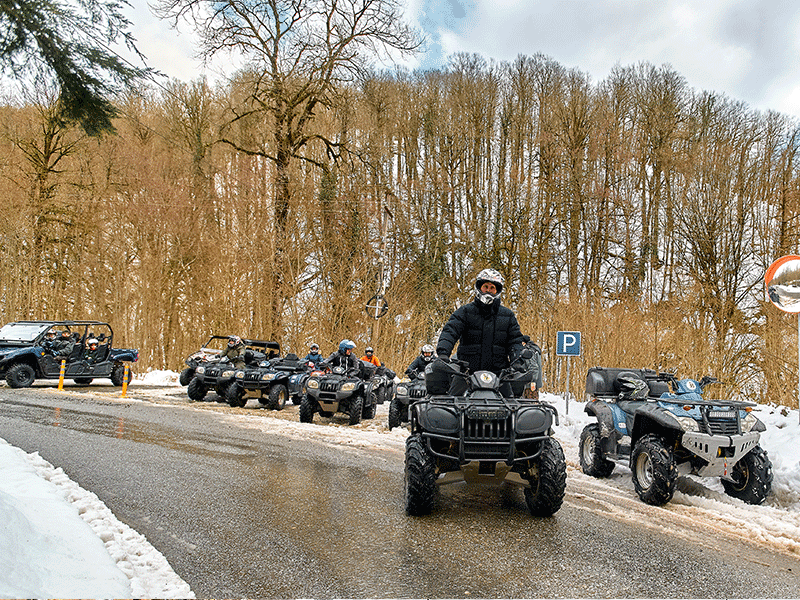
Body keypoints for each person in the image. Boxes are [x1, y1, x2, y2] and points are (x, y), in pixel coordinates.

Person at [436, 268, 524, 386]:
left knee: (513, 397)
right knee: (452, 396)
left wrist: (517, 360)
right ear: (479, 287)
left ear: (497, 291)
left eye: (492, 288)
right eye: (485, 287)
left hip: (499, 375)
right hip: (466, 373)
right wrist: (443, 353)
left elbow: (515, 341)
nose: (488, 290)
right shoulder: (465, 311)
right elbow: (450, 331)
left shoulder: (508, 316)